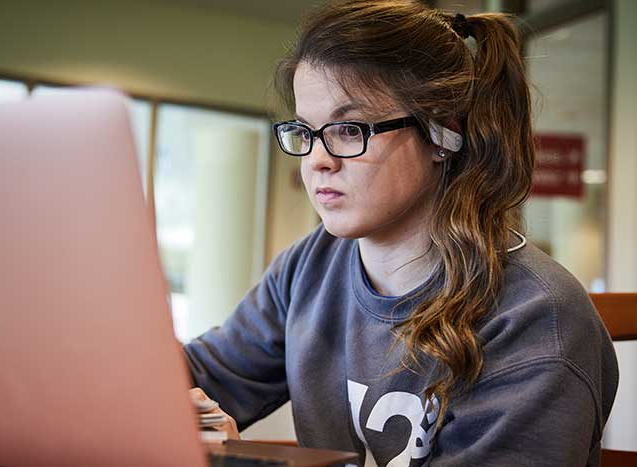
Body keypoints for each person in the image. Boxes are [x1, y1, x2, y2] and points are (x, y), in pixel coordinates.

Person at [184, 1, 619, 466]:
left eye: (349, 130)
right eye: (306, 132)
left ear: (442, 133)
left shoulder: (534, 321)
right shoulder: (312, 265)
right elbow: (205, 375)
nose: (317, 160)